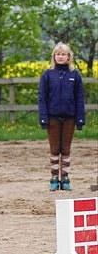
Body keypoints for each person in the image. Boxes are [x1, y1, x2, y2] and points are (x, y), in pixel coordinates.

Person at [38, 42, 85, 191]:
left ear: (68, 57)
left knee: (65, 148)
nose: (60, 56)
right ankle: (53, 178)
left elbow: (79, 98)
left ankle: (65, 178)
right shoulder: (47, 75)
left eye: (63, 54)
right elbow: (42, 98)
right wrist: (43, 117)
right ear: (54, 56)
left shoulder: (74, 75)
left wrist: (80, 118)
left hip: (70, 117)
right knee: (54, 148)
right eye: (58, 54)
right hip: (52, 117)